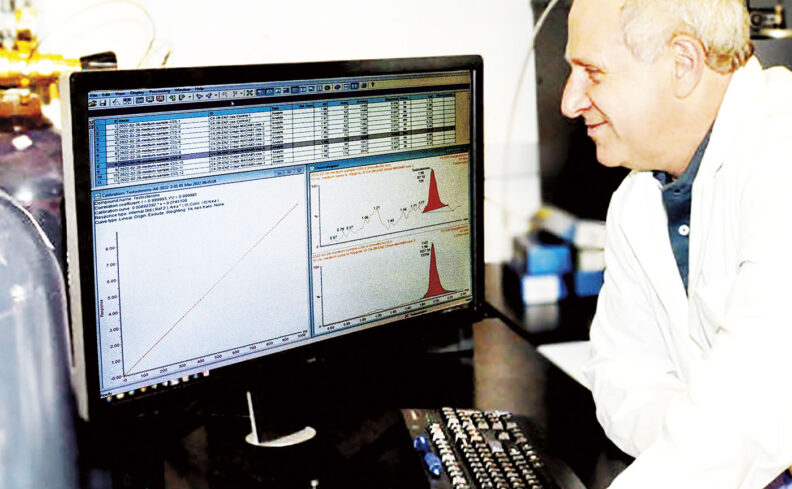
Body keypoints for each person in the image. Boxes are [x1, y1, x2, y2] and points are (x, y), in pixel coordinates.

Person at [561, 0, 792, 487]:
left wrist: (725, 445)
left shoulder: (781, 153)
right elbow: (622, 380)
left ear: (682, 64)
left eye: (592, 72)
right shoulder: (638, 197)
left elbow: (750, 409)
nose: (569, 101)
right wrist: (715, 445)